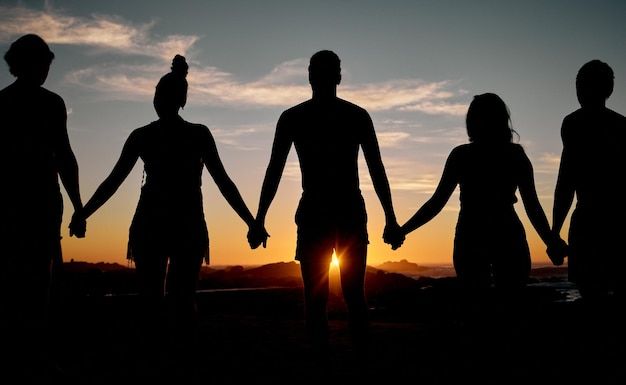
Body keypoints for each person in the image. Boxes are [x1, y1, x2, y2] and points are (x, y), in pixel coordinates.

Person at [70, 55, 260, 378]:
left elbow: (113, 181)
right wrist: (251, 221)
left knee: (158, 299)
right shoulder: (193, 135)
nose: (158, 98)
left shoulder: (147, 136)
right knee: (177, 299)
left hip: (158, 224)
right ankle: (174, 361)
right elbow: (224, 182)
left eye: (160, 93)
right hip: (175, 224)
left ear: (167, 99)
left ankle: (160, 362)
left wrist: (82, 212)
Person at [248, 50, 403, 356]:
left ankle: (325, 363)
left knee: (317, 298)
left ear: (310, 77)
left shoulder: (295, 117)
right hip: (344, 211)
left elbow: (274, 171)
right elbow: (377, 170)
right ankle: (358, 361)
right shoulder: (356, 116)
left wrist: (260, 219)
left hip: (318, 211)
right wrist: (390, 218)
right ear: (339, 77)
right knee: (351, 295)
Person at [400, 93, 566, 295]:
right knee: (511, 306)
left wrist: (403, 231)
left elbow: (436, 203)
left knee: (477, 311)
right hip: (507, 235)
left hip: (470, 236)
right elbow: (533, 207)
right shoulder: (515, 155)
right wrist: (550, 242)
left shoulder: (461, 155)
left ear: (471, 122)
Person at [0, 34, 84, 381]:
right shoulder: (51, 104)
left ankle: (23, 354)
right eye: (46, 63)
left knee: (17, 279)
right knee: (38, 281)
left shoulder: (2, 103)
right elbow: (64, 156)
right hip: (38, 202)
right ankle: (33, 356)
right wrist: (79, 206)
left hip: (14, 203)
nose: (47, 70)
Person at [552, 60, 626, 302]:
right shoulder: (621, 125)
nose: (579, 90)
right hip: (613, 221)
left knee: (593, 299)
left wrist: (555, 232)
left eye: (581, 84)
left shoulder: (574, 124)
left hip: (590, 221)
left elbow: (566, 182)